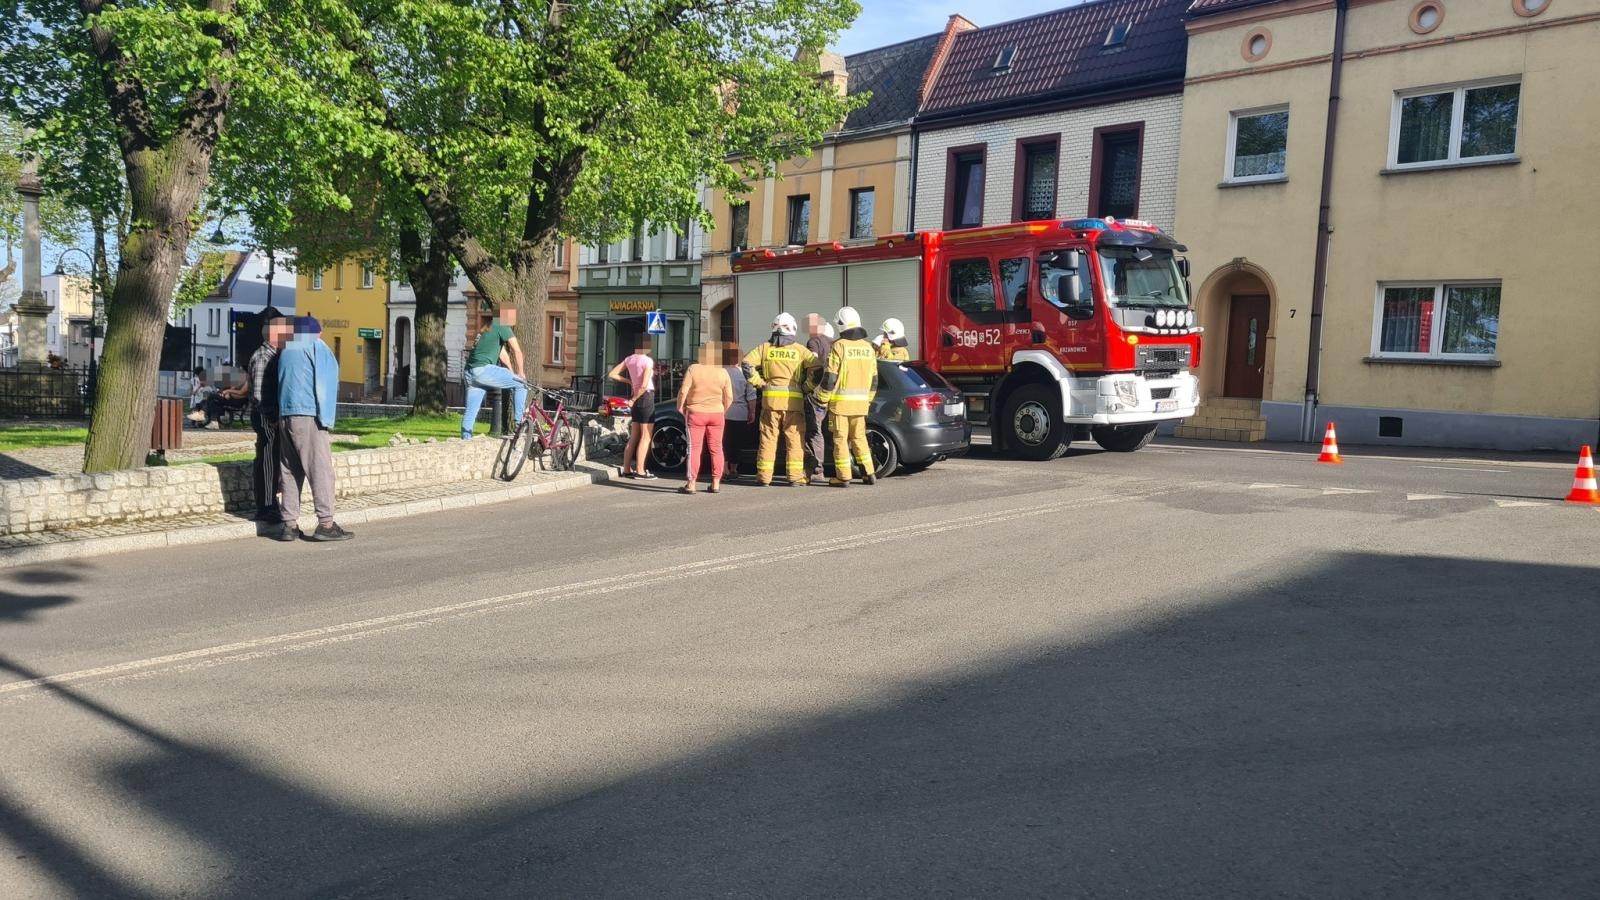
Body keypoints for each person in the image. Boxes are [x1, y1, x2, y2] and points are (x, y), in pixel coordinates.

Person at [275, 316, 353, 542]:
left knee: (289, 471)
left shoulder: (286, 350)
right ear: (316, 332)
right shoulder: (316, 347)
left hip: (285, 415)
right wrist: (326, 419)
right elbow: (325, 383)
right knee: (320, 470)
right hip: (308, 414)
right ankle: (326, 524)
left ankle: (289, 524)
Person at [742, 312, 819, 486]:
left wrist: (759, 383)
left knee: (768, 439)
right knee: (794, 440)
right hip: (794, 404)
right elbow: (818, 368)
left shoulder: (764, 348)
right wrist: (807, 387)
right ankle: (794, 477)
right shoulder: (800, 350)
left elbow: (746, 364)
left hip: (770, 403)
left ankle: (764, 477)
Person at [819, 306, 879, 487]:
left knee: (840, 440)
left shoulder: (838, 346)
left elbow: (830, 378)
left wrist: (821, 398)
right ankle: (869, 472)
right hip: (861, 405)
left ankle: (843, 476)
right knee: (859, 438)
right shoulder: (868, 347)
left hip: (840, 406)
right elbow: (874, 380)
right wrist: (867, 399)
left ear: (840, 325)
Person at [243, 316, 288, 522]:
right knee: (268, 460)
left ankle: (270, 502)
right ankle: (267, 506)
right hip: (265, 417)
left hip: (268, 415)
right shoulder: (264, 357)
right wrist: (272, 416)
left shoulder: (273, 355)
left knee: (270, 458)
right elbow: (260, 393)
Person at [460, 306, 528, 441]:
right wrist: (520, 373)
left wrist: (511, 372)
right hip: (483, 370)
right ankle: (520, 425)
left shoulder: (488, 327)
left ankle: (465, 439)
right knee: (521, 385)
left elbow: (502, 354)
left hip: (470, 372)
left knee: (472, 409)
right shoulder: (503, 326)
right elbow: (517, 351)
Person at [676, 342, 733, 494]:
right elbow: (729, 397)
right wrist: (723, 410)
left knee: (694, 449)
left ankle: (691, 484)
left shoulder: (693, 369)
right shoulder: (723, 372)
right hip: (717, 414)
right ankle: (715, 483)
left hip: (696, 412)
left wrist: (680, 406)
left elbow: (683, 391)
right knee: (716, 449)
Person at [608, 336, 657, 479]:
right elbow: (644, 384)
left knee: (634, 435)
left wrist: (629, 381)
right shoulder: (647, 360)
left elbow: (613, 374)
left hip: (635, 397)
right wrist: (634, 398)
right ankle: (640, 470)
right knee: (646, 436)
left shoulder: (629, 359)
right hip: (645, 396)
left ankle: (627, 469)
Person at [803, 314, 834, 479]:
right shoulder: (832, 344)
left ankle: (816, 470)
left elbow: (812, 364)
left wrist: (806, 387)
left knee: (814, 431)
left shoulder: (813, 342)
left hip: (816, 393)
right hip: (830, 392)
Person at [722, 342, 757, 479]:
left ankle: (724, 469)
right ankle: (734, 469)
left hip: (724, 412)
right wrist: (752, 412)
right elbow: (752, 395)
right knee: (737, 442)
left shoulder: (721, 371)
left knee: (724, 441)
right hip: (741, 412)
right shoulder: (746, 374)